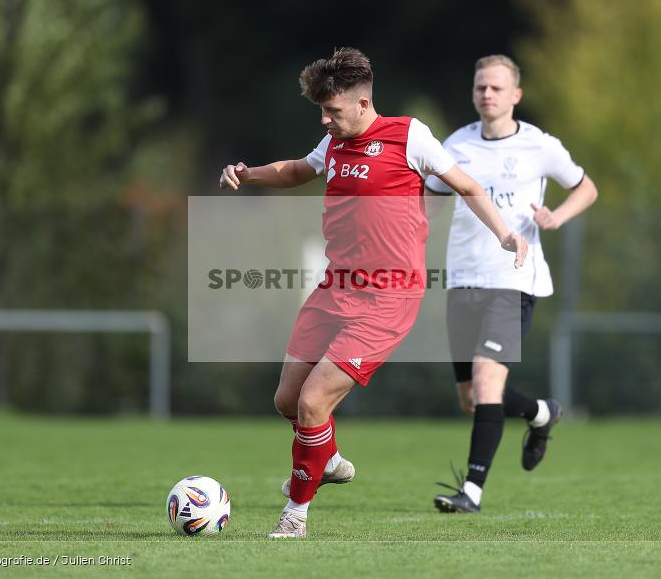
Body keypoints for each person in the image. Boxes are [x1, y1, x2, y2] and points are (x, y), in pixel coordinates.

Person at [219, 48, 528, 538]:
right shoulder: (333, 142)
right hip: (334, 288)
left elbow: (468, 186)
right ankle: (330, 458)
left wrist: (505, 234)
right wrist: (249, 173)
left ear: (363, 104)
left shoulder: (410, 136)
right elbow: (299, 169)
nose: (325, 120)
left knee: (314, 403)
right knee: (287, 401)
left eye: (332, 111)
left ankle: (295, 517)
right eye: (321, 111)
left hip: (388, 298)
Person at [424, 54, 597, 513]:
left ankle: (471, 492)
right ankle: (542, 414)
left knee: (486, 383)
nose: (487, 94)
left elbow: (586, 187)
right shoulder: (455, 144)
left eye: (497, 88)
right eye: (481, 87)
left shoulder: (540, 146)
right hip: (462, 278)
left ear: (515, 95)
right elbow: (432, 204)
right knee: (472, 398)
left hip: (514, 279)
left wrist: (556, 216)